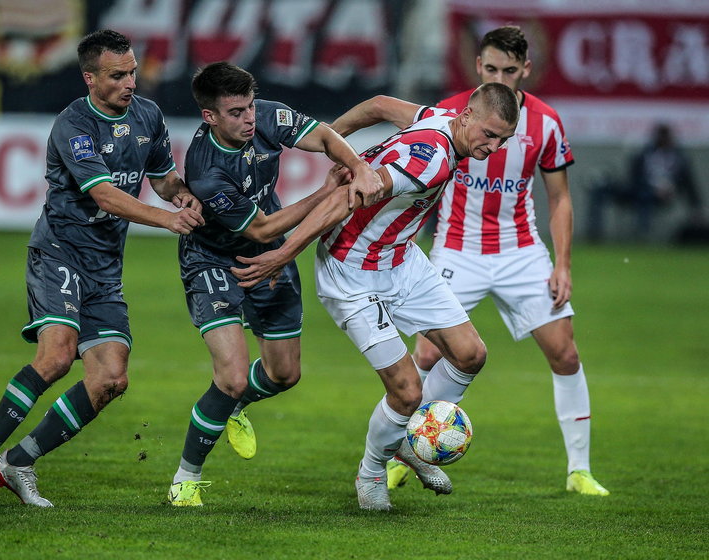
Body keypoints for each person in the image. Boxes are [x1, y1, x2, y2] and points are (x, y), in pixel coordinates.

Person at [232, 82, 520, 510]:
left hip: (400, 259)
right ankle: (371, 474)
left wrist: (332, 140)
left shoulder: (436, 118)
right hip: (352, 272)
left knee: (470, 354)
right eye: (489, 134)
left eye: (503, 140)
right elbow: (348, 198)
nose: (494, 146)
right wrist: (284, 253)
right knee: (406, 391)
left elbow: (380, 105)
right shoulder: (432, 162)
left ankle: (413, 438)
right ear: (467, 117)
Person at [0, 29, 204, 507]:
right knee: (57, 356)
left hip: (105, 267)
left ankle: (19, 461)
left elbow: (164, 178)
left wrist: (185, 195)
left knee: (111, 377)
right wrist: (169, 220)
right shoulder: (74, 124)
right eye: (117, 75)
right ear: (90, 78)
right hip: (61, 252)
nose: (130, 82)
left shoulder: (149, 115)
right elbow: (104, 194)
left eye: (132, 71)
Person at [378, 26, 608, 496]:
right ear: (477, 66)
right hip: (458, 248)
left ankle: (579, 470)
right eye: (490, 68)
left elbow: (559, 199)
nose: (499, 76)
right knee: (426, 351)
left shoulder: (544, 122)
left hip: (520, 251)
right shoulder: (449, 113)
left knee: (565, 352)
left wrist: (562, 264)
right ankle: (407, 450)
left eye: (509, 69)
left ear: (525, 69)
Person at [167, 61, 383, 507]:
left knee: (285, 373)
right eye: (236, 112)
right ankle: (185, 479)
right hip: (215, 259)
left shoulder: (265, 116)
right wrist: (327, 193)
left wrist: (358, 166)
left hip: (270, 252)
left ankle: (237, 406)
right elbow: (262, 230)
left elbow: (324, 136)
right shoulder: (206, 171)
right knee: (229, 376)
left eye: (250, 107)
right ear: (210, 116)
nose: (249, 118)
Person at [587, 123, 704, 243]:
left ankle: (642, 234)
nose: (662, 139)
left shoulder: (679, 159)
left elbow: (688, 184)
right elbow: (633, 177)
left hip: (661, 196)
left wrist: (696, 207)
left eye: (665, 136)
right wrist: (651, 186)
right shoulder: (644, 154)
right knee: (600, 190)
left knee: (645, 196)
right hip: (639, 188)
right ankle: (594, 233)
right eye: (660, 136)